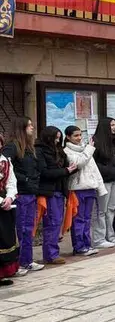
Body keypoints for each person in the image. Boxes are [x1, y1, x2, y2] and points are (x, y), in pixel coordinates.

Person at [2, 117, 44, 274]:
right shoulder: (12, 147)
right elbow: (7, 169)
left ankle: (27, 260)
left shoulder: (29, 147)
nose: (32, 128)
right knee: (20, 229)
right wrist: (24, 179)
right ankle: (17, 262)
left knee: (28, 228)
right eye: (29, 125)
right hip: (19, 194)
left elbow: (34, 168)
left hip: (31, 192)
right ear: (21, 128)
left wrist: (34, 180)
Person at [35, 126, 76, 265]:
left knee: (57, 222)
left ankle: (53, 252)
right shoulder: (40, 150)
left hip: (60, 189)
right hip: (49, 191)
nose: (57, 141)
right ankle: (51, 254)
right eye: (55, 138)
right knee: (52, 222)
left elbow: (65, 168)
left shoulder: (59, 150)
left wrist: (71, 169)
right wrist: (65, 171)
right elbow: (44, 172)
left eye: (59, 138)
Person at [63, 125, 104, 257]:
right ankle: (79, 247)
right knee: (78, 219)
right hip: (77, 189)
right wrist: (89, 149)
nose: (79, 138)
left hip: (90, 188)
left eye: (80, 135)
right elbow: (79, 163)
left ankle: (87, 244)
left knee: (87, 219)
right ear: (68, 137)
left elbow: (94, 170)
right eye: (76, 135)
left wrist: (100, 187)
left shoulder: (86, 149)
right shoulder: (67, 151)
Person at [91, 118, 115, 249]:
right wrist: (108, 170)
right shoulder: (96, 142)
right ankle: (99, 238)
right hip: (103, 180)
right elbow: (93, 163)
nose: (114, 127)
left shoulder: (114, 141)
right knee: (101, 210)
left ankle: (110, 235)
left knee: (111, 208)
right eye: (112, 125)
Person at [0, 136, 19, 286]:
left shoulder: (5, 161)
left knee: (5, 238)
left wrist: (10, 197)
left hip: (4, 205)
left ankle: (2, 274)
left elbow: (11, 182)